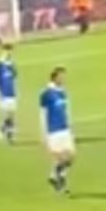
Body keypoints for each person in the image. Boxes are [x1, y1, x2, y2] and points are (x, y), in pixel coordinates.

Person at [40, 67, 74, 195]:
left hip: (65, 128)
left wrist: (70, 127)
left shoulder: (63, 92)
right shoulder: (46, 94)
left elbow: (66, 111)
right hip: (54, 130)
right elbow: (42, 114)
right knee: (60, 157)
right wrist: (44, 133)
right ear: (54, 78)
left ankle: (54, 176)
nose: (63, 79)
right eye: (61, 76)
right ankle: (60, 180)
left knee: (70, 157)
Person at [0, 45, 17, 144]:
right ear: (3, 52)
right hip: (3, 94)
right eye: (7, 51)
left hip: (12, 94)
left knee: (11, 116)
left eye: (10, 51)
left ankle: (5, 132)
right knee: (8, 115)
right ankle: (7, 135)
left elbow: (14, 78)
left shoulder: (12, 65)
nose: (9, 53)